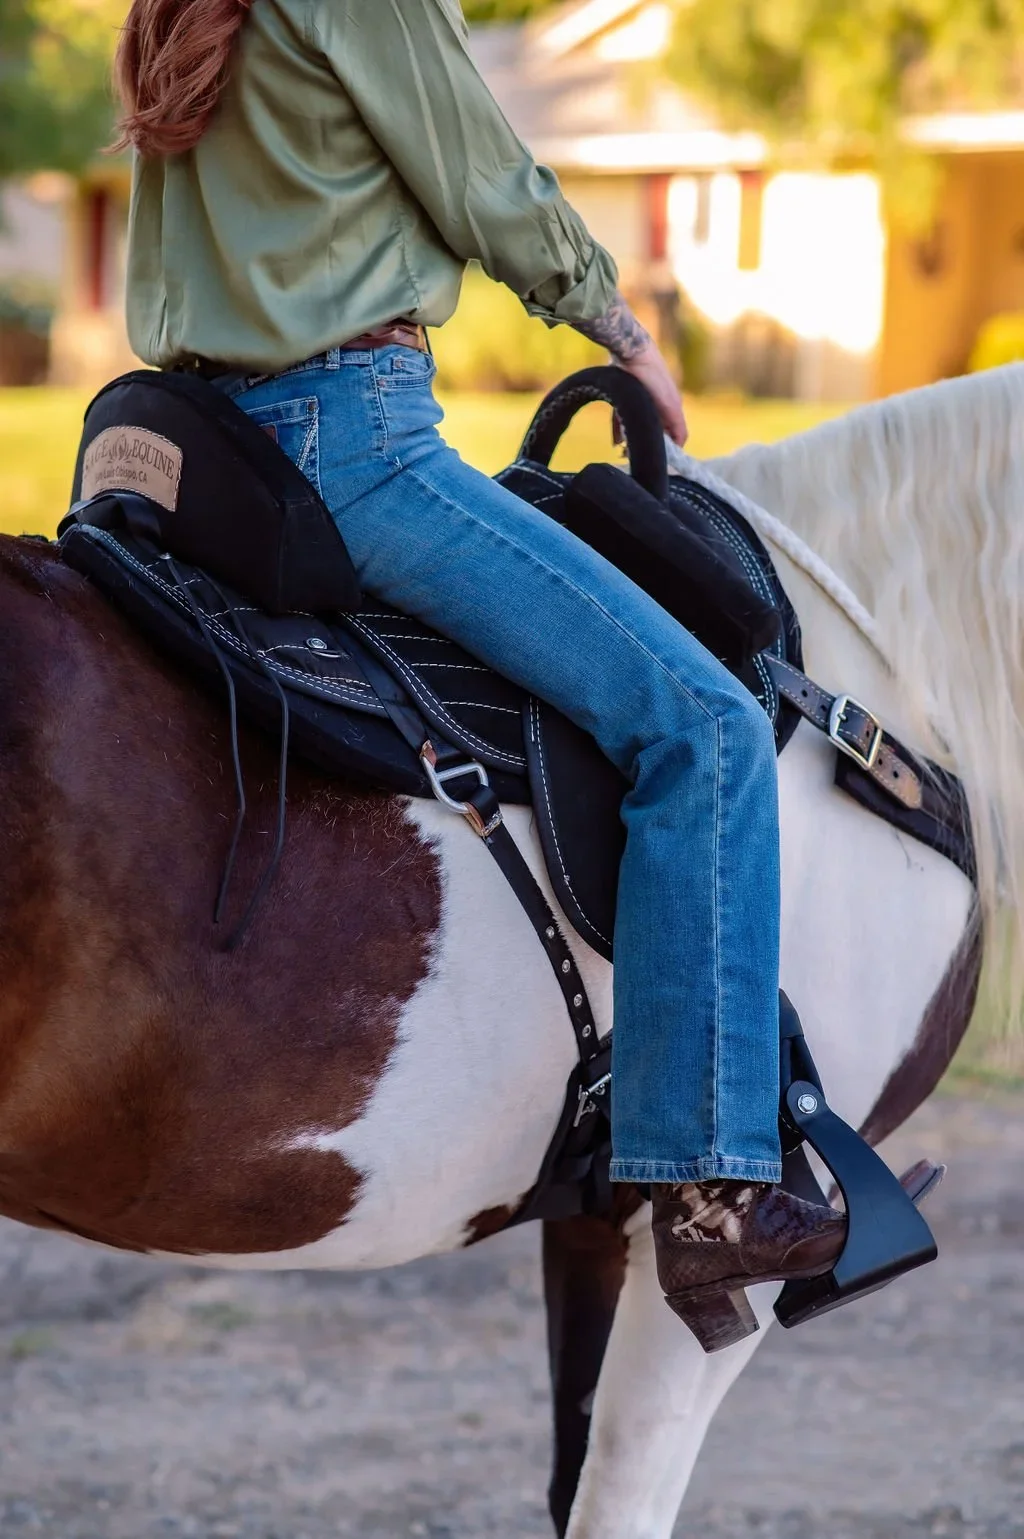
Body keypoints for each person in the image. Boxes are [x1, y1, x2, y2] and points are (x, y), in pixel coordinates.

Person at [113, 0, 846, 1347]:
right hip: (355, 441)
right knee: (711, 729)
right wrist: (619, 329)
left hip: (178, 445)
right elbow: (483, 175)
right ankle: (708, 1186)